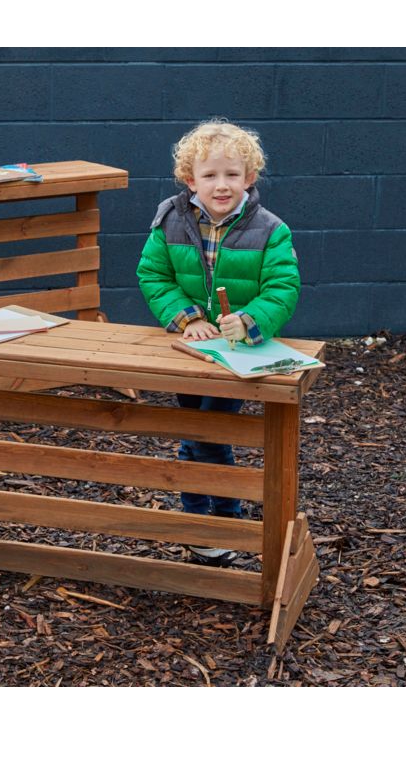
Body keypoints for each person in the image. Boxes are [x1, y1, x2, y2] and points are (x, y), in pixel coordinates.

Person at [136, 118, 300, 566]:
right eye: (210, 175)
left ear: (250, 177)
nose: (221, 185)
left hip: (239, 355)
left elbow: (283, 289)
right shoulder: (171, 218)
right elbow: (153, 274)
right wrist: (186, 318)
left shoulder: (270, 229)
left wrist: (249, 320)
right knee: (201, 431)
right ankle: (226, 519)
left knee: (204, 432)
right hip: (191, 350)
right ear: (191, 180)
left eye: (232, 174)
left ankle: (206, 523)